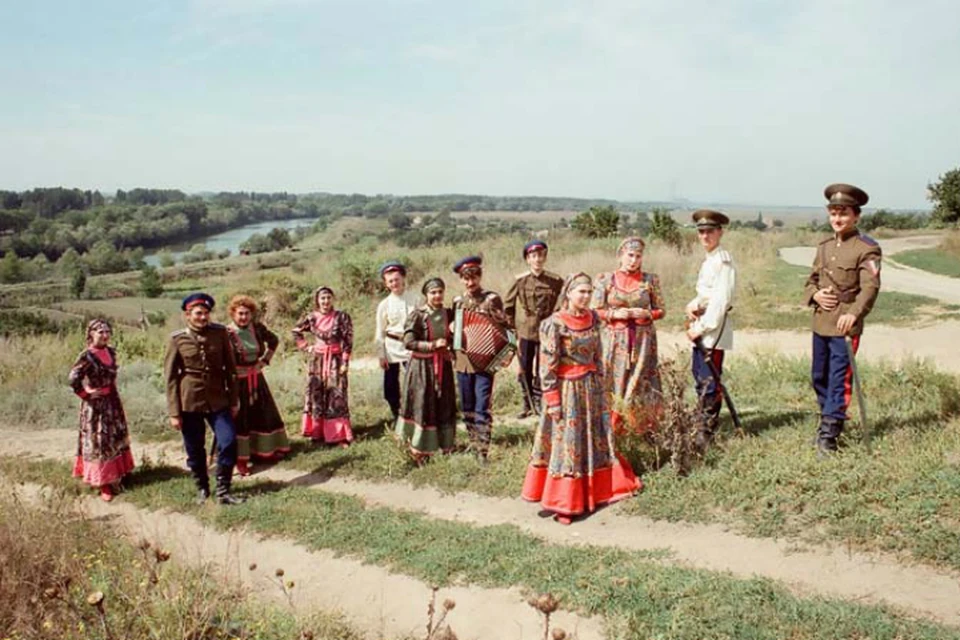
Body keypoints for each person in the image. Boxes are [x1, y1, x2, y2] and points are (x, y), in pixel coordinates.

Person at [522, 273, 641, 524]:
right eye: (581, 292)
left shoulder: (593, 318)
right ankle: (565, 501)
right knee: (568, 443)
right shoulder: (553, 324)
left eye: (589, 292)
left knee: (593, 439)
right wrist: (552, 400)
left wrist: (602, 386)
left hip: (591, 388)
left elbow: (598, 355)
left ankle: (593, 493)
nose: (586, 297)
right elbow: (547, 367)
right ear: (568, 294)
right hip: (566, 391)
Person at [803, 183, 881, 454]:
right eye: (834, 213)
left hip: (844, 326)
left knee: (839, 379)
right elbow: (810, 281)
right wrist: (815, 295)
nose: (838, 219)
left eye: (844, 213)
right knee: (818, 376)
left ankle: (830, 433)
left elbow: (870, 288)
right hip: (821, 322)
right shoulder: (824, 246)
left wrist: (853, 314)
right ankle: (827, 417)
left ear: (856, 216)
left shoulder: (866, 248)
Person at [164, 293, 244, 505]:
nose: (203, 317)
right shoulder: (177, 339)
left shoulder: (219, 333)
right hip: (190, 401)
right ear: (187, 315)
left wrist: (234, 399)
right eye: (198, 313)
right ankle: (202, 488)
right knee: (194, 448)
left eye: (206, 313)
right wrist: (174, 412)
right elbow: (171, 378)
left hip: (218, 399)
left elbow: (231, 370)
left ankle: (223, 491)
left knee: (228, 442)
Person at [592, 237, 665, 433]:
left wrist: (648, 313)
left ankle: (643, 427)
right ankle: (612, 428)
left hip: (642, 341)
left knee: (641, 380)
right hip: (614, 341)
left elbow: (661, 310)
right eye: (630, 255)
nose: (633, 260)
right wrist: (613, 314)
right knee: (614, 380)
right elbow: (594, 311)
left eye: (638, 256)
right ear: (620, 256)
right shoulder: (605, 280)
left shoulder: (650, 280)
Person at [684, 210, 737, 451]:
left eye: (710, 231)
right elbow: (707, 295)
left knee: (709, 381)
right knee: (701, 376)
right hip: (703, 325)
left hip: (712, 330)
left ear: (720, 232)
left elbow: (720, 300)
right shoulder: (710, 259)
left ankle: (706, 431)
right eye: (701, 231)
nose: (705, 235)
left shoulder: (723, 261)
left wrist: (702, 328)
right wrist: (694, 305)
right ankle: (702, 425)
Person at [68, 319, 135, 502]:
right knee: (99, 442)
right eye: (100, 332)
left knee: (115, 437)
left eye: (107, 332)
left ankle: (119, 474)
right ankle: (104, 482)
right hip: (95, 406)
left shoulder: (111, 352)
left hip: (112, 402)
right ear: (91, 334)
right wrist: (85, 393)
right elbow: (73, 378)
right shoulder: (86, 356)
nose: (105, 335)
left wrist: (113, 395)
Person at [226, 295, 290, 475]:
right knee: (241, 419)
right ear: (233, 314)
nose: (243, 317)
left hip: (257, 379)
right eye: (240, 314)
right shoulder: (226, 334)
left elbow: (274, 341)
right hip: (237, 383)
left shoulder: (258, 329)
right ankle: (241, 460)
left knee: (263, 414)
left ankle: (265, 451)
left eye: (247, 313)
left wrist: (265, 361)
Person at [451, 255, 508, 459]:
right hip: (463, 361)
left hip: (486, 362)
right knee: (466, 404)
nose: (470, 282)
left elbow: (506, 328)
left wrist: (505, 355)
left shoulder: (491, 299)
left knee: (481, 404)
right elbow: (455, 331)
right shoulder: (458, 301)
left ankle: (483, 449)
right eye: (466, 279)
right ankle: (473, 442)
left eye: (474, 277)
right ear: (461, 280)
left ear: (480, 277)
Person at [395, 277, 457, 462]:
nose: (437, 295)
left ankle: (445, 445)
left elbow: (456, 336)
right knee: (423, 405)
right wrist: (431, 345)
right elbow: (408, 342)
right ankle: (419, 449)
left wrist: (450, 346)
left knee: (444, 404)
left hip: (442, 366)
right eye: (433, 292)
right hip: (421, 368)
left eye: (440, 291)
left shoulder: (449, 314)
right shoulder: (417, 315)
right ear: (426, 295)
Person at [504, 240, 564, 418]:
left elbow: (562, 303)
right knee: (524, 367)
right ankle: (526, 403)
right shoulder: (520, 280)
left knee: (544, 367)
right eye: (533, 256)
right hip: (526, 331)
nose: (537, 259)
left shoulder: (555, 281)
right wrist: (511, 331)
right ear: (527, 259)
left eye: (541, 255)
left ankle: (539, 401)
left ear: (545, 257)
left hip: (546, 331)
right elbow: (508, 307)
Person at [293, 286, 354, 447]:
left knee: (337, 395)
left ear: (333, 299)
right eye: (322, 298)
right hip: (317, 360)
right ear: (317, 300)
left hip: (335, 359)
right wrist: (306, 346)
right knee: (316, 394)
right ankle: (317, 432)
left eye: (328, 297)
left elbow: (348, 341)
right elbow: (296, 331)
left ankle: (338, 435)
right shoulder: (311, 317)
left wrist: (345, 362)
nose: (325, 301)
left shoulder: (342, 317)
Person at [374, 261, 421, 420]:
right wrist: (381, 354)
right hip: (392, 347)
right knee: (390, 387)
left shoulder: (416, 298)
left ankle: (415, 414)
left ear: (403, 278)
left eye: (397, 279)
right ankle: (397, 414)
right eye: (390, 281)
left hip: (412, 346)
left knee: (416, 382)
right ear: (386, 284)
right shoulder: (384, 305)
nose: (395, 283)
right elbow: (379, 331)